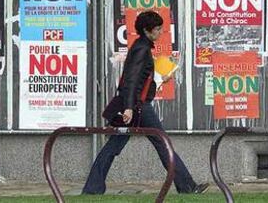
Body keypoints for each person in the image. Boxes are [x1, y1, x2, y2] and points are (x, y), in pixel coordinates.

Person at [82, 11, 209, 195]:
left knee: (113, 147)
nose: (160, 32)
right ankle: (187, 187)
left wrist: (158, 81)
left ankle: (92, 189)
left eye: (160, 29)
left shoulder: (140, 46)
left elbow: (139, 80)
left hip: (135, 106)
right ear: (146, 30)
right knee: (162, 143)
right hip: (138, 108)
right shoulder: (142, 49)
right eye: (157, 29)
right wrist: (129, 108)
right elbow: (131, 80)